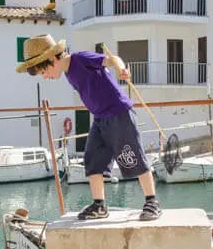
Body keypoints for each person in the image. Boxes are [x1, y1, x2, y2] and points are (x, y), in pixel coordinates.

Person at [16, 34, 162, 221]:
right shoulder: (68, 73)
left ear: (51, 60)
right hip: (100, 118)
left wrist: (121, 69)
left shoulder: (80, 59)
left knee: (132, 155)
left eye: (43, 72)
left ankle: (152, 202)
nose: (45, 77)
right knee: (93, 160)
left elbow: (113, 59)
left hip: (119, 113)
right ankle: (99, 205)